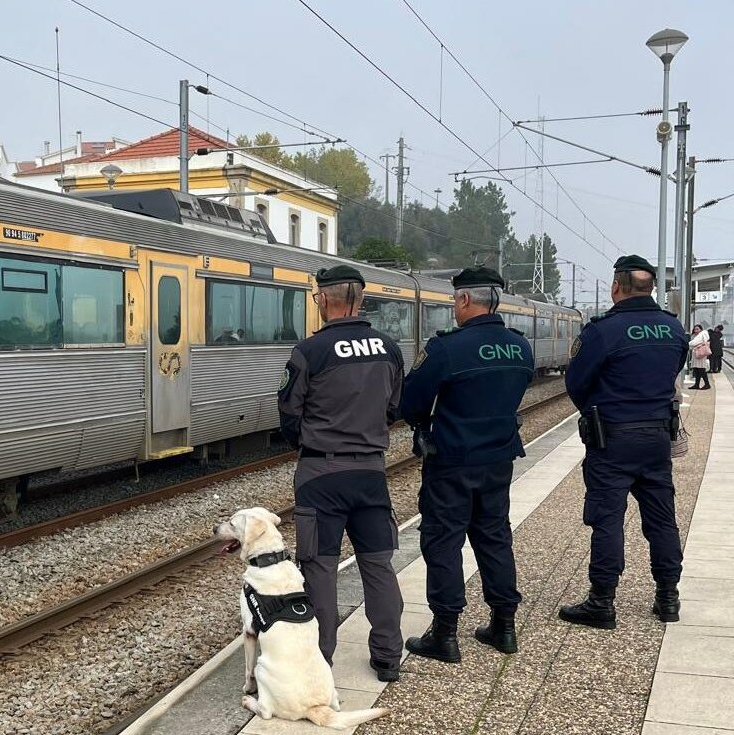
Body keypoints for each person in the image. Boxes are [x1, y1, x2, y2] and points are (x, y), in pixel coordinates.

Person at [397, 267, 534, 663]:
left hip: (452, 461)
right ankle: (503, 625)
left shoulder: (447, 349)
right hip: (499, 459)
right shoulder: (520, 347)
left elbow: (411, 402)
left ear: (463, 300)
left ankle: (445, 633)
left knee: (443, 540)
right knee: (494, 537)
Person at [277, 265, 405, 682]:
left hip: (320, 474)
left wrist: (313, 444)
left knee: (320, 569)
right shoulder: (388, 348)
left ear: (324, 299)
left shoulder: (310, 352)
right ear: (360, 300)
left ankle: (321, 661)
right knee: (378, 566)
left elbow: (289, 413)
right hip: (371, 473)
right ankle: (387, 656)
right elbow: (393, 408)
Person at [560, 255, 689, 628]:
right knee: (663, 520)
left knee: (607, 519)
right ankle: (668, 598)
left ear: (617, 286)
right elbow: (672, 371)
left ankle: (602, 602)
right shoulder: (672, 328)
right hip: (656, 438)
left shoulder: (603, 331)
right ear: (650, 288)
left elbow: (577, 383)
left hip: (612, 439)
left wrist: (598, 410)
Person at [688, 324, 711, 390]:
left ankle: (707, 384)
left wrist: (688, 344)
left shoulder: (701, 335)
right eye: (695, 329)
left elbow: (693, 343)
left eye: (697, 329)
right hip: (697, 354)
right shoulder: (697, 335)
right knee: (696, 369)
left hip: (700, 354)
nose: (696, 330)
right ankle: (697, 384)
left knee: (701, 369)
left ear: (701, 329)